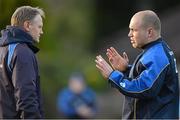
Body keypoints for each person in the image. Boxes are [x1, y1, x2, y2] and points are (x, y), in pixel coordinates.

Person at [95, 10, 179, 119]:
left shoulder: (157, 55)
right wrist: (126, 69)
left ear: (149, 32)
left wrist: (113, 76)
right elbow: (147, 79)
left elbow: (144, 88)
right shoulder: (154, 51)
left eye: (133, 30)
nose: (129, 34)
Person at [0, 6, 45, 118]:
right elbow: (26, 98)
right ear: (27, 25)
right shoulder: (22, 53)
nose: (42, 31)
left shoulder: (2, 49)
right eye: (39, 27)